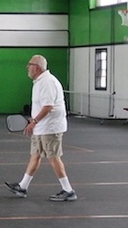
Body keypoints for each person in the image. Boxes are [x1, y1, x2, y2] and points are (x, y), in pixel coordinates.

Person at [5, 55, 77, 201]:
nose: (27, 67)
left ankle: (68, 190)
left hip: (50, 128)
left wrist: (34, 121)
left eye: (29, 64)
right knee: (35, 155)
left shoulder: (47, 82)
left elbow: (48, 106)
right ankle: (23, 186)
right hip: (41, 127)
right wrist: (35, 121)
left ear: (37, 67)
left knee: (53, 158)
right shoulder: (39, 82)